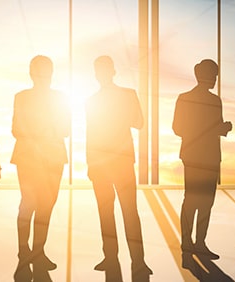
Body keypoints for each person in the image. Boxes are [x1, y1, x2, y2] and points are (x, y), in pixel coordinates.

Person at [86, 55, 152, 282]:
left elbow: (138, 123)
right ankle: (131, 259)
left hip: (112, 163)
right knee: (123, 212)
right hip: (113, 163)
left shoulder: (100, 99)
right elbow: (138, 123)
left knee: (120, 212)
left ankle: (127, 259)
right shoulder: (125, 96)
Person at [11, 55, 71, 281]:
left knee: (44, 206)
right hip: (35, 158)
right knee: (30, 204)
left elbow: (65, 129)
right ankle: (25, 251)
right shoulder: (23, 97)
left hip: (46, 158)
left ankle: (36, 251)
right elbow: (16, 128)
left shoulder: (55, 98)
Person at [172, 59, 232, 266]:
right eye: (213, 75)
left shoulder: (211, 100)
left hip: (203, 156)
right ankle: (191, 242)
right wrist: (215, 129)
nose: (215, 79)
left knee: (202, 202)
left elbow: (179, 128)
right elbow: (178, 127)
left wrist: (220, 128)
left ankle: (196, 242)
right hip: (201, 157)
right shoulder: (191, 99)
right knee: (195, 201)